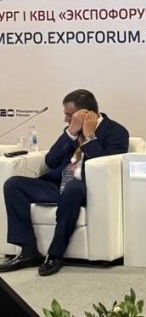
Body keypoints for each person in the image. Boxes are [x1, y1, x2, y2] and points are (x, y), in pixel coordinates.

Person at [0, 89, 129, 276]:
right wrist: (70, 133)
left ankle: (55, 254)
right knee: (13, 185)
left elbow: (105, 166)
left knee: (72, 188)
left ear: (84, 114)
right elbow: (51, 161)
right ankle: (28, 250)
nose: (65, 119)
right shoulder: (70, 131)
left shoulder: (116, 132)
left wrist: (89, 138)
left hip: (86, 188)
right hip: (58, 184)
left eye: (69, 115)